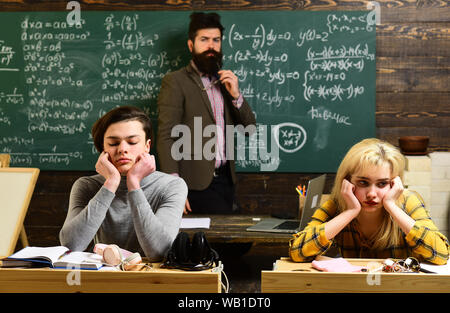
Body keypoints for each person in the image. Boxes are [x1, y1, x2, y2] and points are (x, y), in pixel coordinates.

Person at [289, 138, 449, 265]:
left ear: (395, 183)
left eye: (382, 183)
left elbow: (441, 254)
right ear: (347, 181)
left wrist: (392, 207)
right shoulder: (337, 205)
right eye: (363, 183)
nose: (372, 194)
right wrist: (350, 212)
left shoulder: (408, 201)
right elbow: (297, 251)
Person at [157, 12, 256, 214]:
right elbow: (166, 136)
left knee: (233, 241)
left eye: (216, 40)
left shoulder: (226, 82)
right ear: (191, 45)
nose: (211, 46)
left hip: (226, 181)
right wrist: (173, 186)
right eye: (204, 40)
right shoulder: (175, 82)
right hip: (193, 185)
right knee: (230, 243)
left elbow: (250, 129)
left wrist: (236, 95)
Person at [59, 106, 188, 261]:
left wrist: (134, 184)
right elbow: (71, 245)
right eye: (113, 143)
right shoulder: (86, 186)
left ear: (147, 146)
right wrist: (111, 183)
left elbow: (159, 251)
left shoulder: (172, 185)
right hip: (104, 278)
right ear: (103, 149)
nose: (122, 149)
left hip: (154, 278)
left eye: (132, 142)